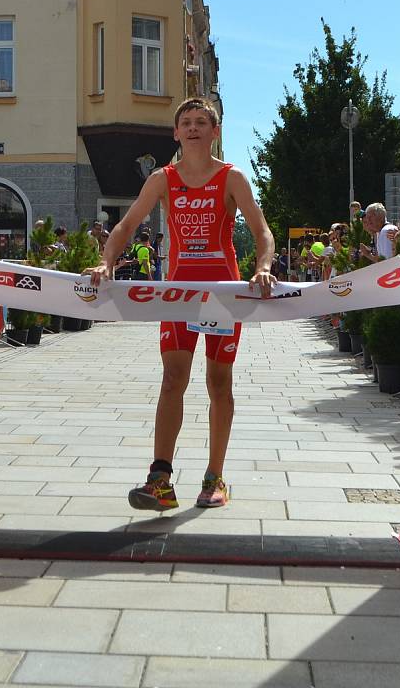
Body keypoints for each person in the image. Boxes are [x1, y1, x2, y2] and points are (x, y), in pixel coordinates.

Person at [85, 97, 275, 511]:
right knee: (173, 379)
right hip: (178, 293)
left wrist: (262, 267)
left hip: (222, 295)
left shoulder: (231, 177)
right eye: (185, 122)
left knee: (218, 382)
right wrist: (105, 261)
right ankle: (160, 480)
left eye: (201, 122)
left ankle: (215, 476)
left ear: (215, 132)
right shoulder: (162, 179)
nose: (192, 128)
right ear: (175, 132)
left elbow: (262, 232)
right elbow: (126, 224)